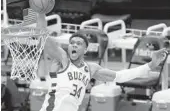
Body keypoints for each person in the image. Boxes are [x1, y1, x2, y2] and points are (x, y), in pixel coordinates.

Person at [36, 13, 168, 111]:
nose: (74, 45)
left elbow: (120, 77)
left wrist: (150, 65)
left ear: (86, 49)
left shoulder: (91, 69)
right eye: (72, 43)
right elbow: (43, 38)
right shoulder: (63, 60)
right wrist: (40, 11)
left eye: (78, 43)